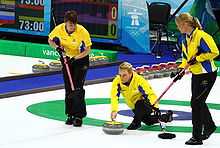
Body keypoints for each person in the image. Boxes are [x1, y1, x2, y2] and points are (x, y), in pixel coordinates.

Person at [175, 13, 219, 145]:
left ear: (185, 24)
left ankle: (197, 136)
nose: (178, 28)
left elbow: (215, 52)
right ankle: (210, 126)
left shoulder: (202, 36)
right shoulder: (185, 39)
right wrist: (180, 69)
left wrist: (198, 58)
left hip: (207, 74)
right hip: (196, 74)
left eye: (178, 25)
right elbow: (185, 58)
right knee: (198, 102)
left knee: (196, 103)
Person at [48, 10, 92, 127]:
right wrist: (57, 47)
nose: (72, 27)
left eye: (73, 24)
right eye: (69, 24)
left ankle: (79, 116)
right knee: (68, 88)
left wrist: (75, 58)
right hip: (66, 59)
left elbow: (88, 49)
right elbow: (50, 40)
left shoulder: (82, 31)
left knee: (77, 87)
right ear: (66, 23)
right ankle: (70, 114)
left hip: (80, 60)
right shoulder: (59, 29)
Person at [110, 62, 173, 130]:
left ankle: (136, 122)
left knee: (139, 103)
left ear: (131, 73)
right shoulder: (117, 81)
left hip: (145, 104)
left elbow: (150, 94)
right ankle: (166, 117)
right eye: (120, 75)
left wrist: (156, 107)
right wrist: (114, 110)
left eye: (124, 75)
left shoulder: (139, 80)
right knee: (148, 121)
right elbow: (114, 96)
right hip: (133, 106)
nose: (121, 78)